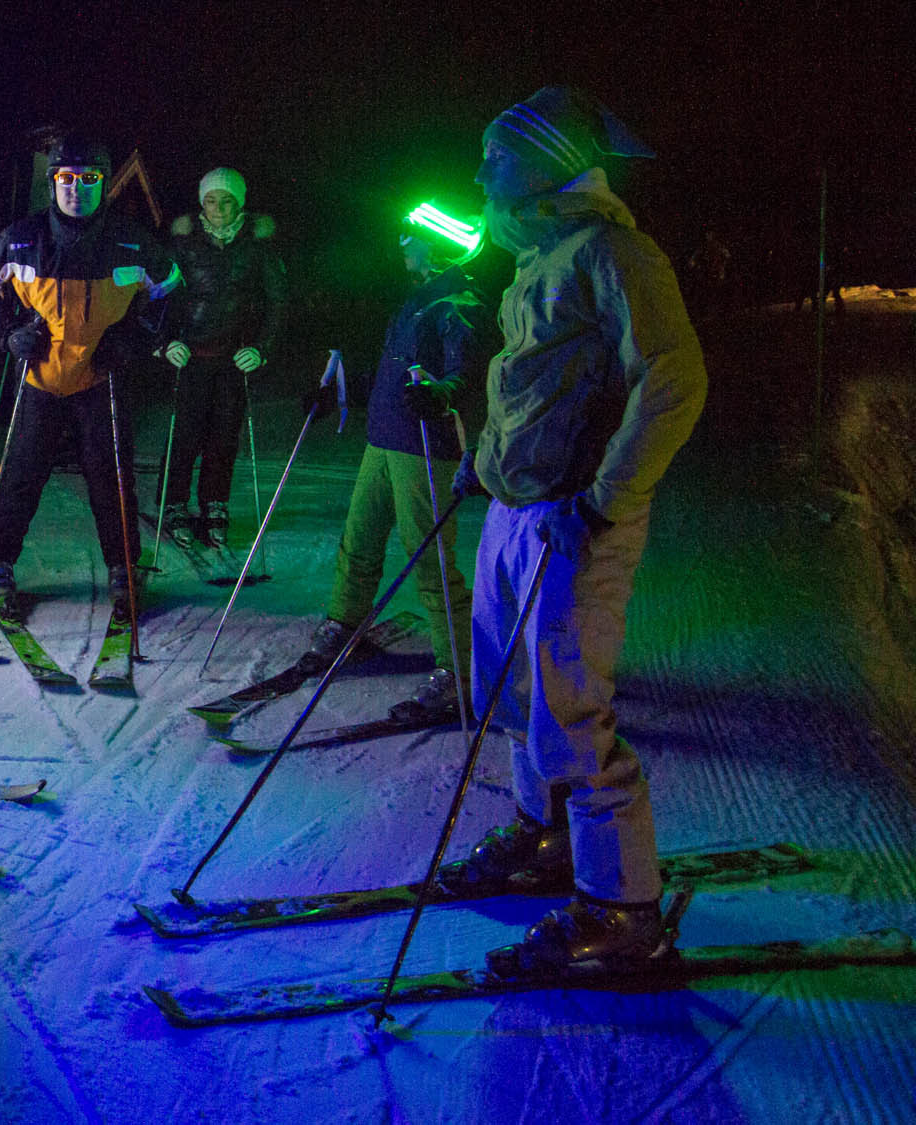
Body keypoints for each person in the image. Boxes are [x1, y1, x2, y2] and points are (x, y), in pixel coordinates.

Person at [443, 87, 707, 973]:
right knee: (514, 692)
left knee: (572, 712)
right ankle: (546, 835)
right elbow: (533, 384)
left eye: (496, 156)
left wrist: (602, 501)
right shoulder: (539, 257)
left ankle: (621, 911)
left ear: (545, 161)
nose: (481, 172)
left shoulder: (614, 252)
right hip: (518, 513)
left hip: (572, 522)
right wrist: (486, 462)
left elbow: (674, 379)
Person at [0, 135, 181, 622]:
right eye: (66, 178)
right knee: (21, 474)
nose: (76, 189)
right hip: (40, 378)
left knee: (111, 477)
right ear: (52, 183)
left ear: (104, 184)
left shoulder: (130, 240)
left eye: (89, 178)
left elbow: (169, 288)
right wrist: (9, 332)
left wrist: (132, 339)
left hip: (99, 378)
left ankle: (124, 568)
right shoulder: (22, 238)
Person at [294, 199, 493, 722]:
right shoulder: (417, 300)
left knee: (428, 557)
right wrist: (341, 392)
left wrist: (441, 394)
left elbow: (466, 374)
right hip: (384, 439)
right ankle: (345, 624)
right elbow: (394, 375)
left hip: (424, 448)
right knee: (359, 538)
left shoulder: (458, 304)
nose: (402, 244)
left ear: (438, 246)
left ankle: (458, 670)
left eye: (412, 237)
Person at [160, 167, 288, 548]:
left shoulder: (257, 246)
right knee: (185, 435)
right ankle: (174, 502)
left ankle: (215, 500)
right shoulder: (185, 244)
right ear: (202, 203)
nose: (218, 209)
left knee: (224, 434)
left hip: (233, 358)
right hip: (191, 355)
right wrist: (166, 342)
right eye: (211, 200)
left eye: (226, 201)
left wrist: (261, 349)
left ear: (240, 204)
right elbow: (159, 296)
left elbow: (278, 303)